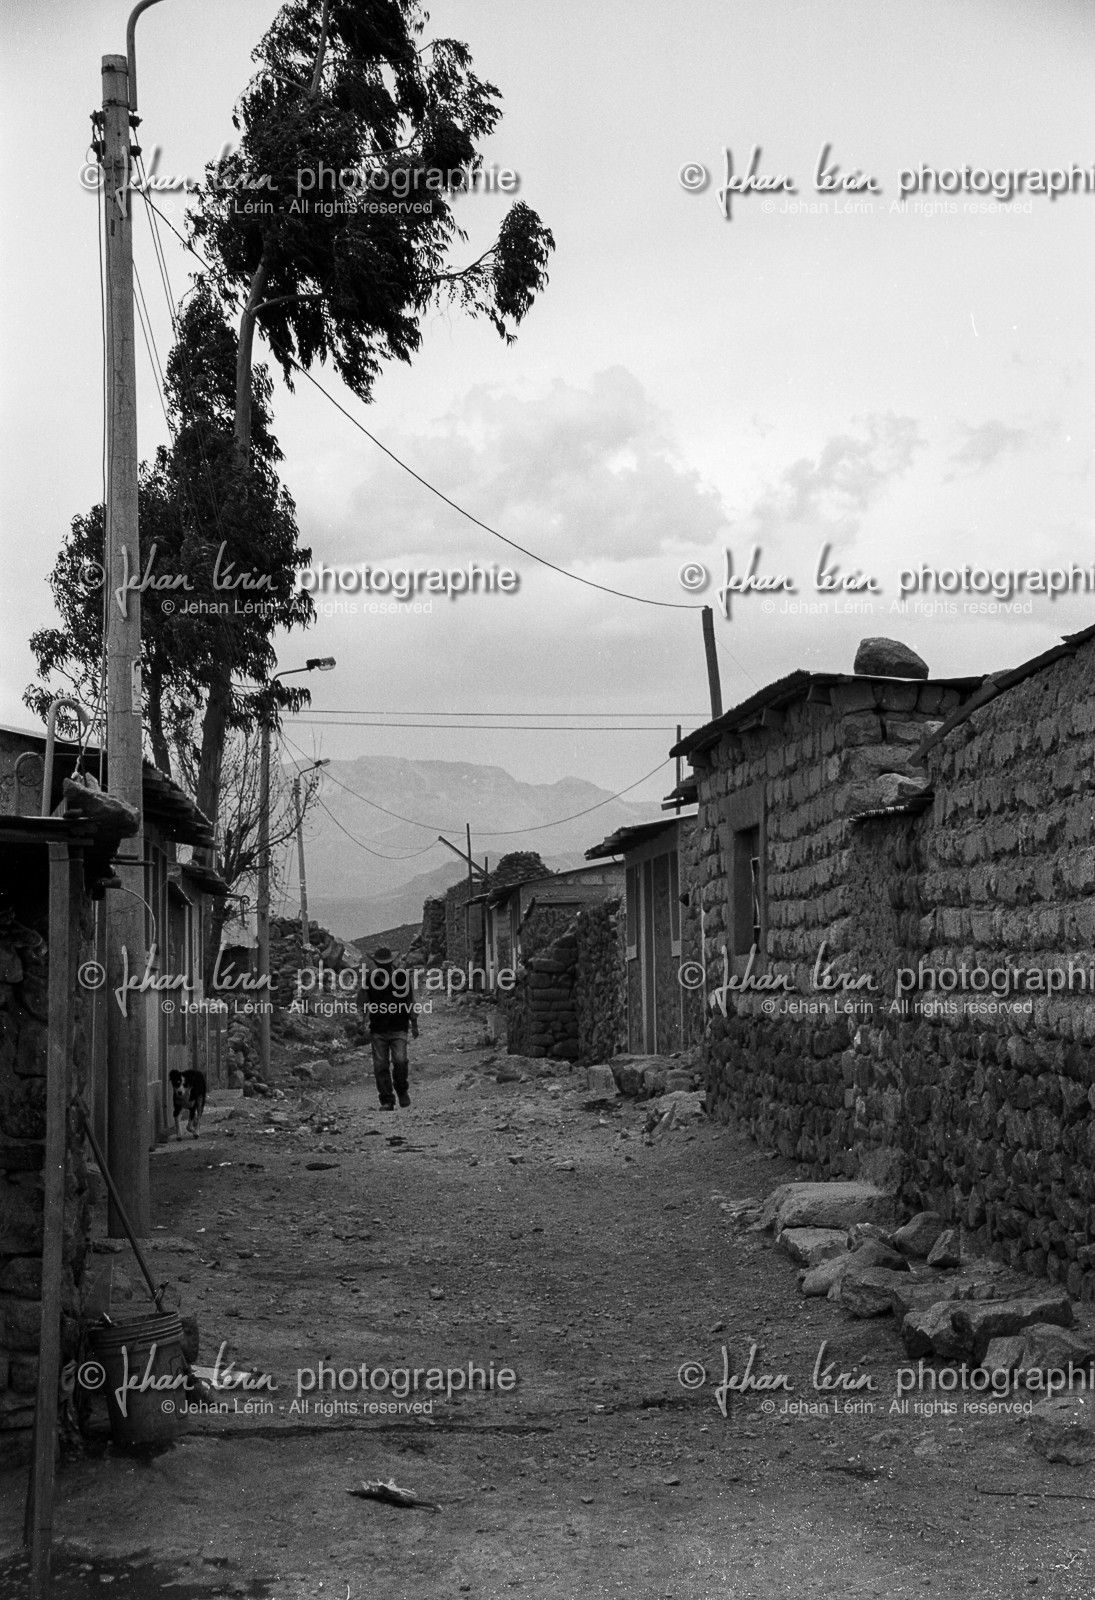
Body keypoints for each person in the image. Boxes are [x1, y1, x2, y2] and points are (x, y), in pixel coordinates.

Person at [358, 947, 419, 1109]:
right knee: (380, 1065)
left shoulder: (402, 978)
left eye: (387, 964)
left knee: (400, 1061)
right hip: (378, 1028)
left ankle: (401, 1089)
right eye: (380, 964)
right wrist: (361, 1022)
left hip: (399, 1026)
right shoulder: (370, 980)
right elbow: (362, 1002)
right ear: (376, 963)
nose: (384, 967)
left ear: (392, 962)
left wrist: (414, 1024)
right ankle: (387, 1100)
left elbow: (410, 1001)